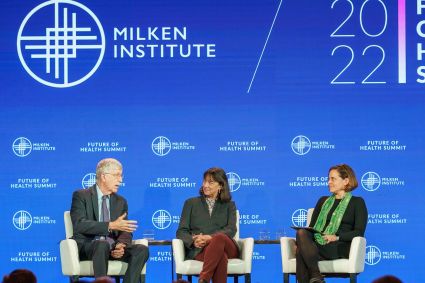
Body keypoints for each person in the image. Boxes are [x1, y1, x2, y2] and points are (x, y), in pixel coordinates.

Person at [70, 158, 149, 283]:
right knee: (102, 245)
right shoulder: (81, 196)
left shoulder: (121, 201)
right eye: (117, 175)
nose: (121, 180)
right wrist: (110, 225)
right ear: (103, 176)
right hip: (89, 246)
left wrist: (120, 245)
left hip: (112, 247)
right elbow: (79, 224)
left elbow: (125, 230)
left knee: (141, 250)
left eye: (121, 176)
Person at [295, 164, 368, 283]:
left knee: (300, 252)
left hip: (339, 246)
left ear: (346, 181)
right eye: (328, 179)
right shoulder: (322, 201)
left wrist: (336, 237)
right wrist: (302, 242)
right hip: (318, 243)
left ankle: (316, 276)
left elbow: (359, 232)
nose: (329, 182)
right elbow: (311, 228)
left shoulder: (357, 202)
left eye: (333, 179)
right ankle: (316, 276)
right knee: (302, 233)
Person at [176, 167, 239, 283]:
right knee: (221, 257)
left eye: (211, 182)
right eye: (204, 181)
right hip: (201, 249)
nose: (205, 185)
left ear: (220, 185)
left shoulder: (229, 205)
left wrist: (210, 238)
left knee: (219, 238)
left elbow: (231, 229)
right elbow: (181, 231)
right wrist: (193, 241)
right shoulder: (190, 203)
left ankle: (203, 279)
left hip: (228, 246)